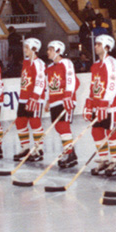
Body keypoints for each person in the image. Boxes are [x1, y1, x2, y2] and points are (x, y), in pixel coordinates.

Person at [84, 34, 116, 177]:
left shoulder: (111, 62)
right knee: (97, 131)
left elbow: (112, 86)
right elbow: (93, 86)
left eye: (98, 44)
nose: (95, 46)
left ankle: (115, 162)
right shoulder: (95, 65)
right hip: (98, 104)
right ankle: (104, 159)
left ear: (107, 46)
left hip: (111, 104)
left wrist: (104, 103)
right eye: (95, 44)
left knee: (111, 131)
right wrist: (89, 103)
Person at [45, 40, 78, 168]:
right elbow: (49, 86)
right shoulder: (50, 67)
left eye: (50, 49)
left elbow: (72, 80)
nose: (48, 52)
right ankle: (71, 152)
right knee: (58, 127)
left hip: (65, 100)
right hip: (54, 101)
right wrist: (48, 100)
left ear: (58, 50)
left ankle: (69, 154)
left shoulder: (66, 63)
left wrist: (68, 96)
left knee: (64, 126)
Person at [14, 38, 47, 161]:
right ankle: (26, 147)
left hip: (35, 99)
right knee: (20, 122)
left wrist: (34, 98)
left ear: (34, 49)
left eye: (27, 47)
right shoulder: (26, 62)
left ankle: (38, 149)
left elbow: (40, 82)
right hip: (23, 98)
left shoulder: (39, 63)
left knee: (34, 122)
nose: (24, 50)